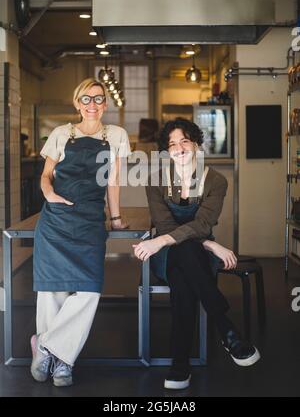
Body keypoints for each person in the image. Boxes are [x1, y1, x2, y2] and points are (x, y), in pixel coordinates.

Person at [133, 118, 260, 391]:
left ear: (197, 145)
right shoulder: (156, 181)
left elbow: (202, 224)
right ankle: (226, 328)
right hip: (166, 254)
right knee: (185, 254)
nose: (179, 148)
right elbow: (167, 227)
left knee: (184, 281)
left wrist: (197, 243)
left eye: (185, 141)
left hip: (184, 251)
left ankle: (180, 365)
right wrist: (211, 244)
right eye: (172, 144)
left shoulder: (215, 180)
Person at [31, 78, 131, 387]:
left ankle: (46, 347)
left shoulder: (116, 135)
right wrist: (48, 194)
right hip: (56, 219)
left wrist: (115, 218)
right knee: (52, 291)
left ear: (105, 103)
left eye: (98, 99)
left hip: (89, 219)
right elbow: (46, 176)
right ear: (77, 103)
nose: (92, 104)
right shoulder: (62, 134)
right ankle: (61, 364)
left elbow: (113, 181)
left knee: (89, 290)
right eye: (85, 99)